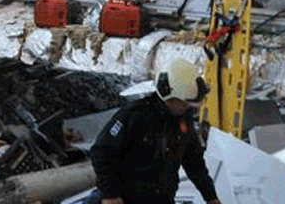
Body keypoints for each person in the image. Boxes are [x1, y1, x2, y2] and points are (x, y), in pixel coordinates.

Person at [87, 58, 220, 204]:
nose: (186, 107)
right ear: (169, 96)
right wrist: (110, 194)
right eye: (183, 102)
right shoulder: (135, 116)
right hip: (126, 198)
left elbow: (194, 162)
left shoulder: (183, 118)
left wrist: (211, 197)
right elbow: (101, 152)